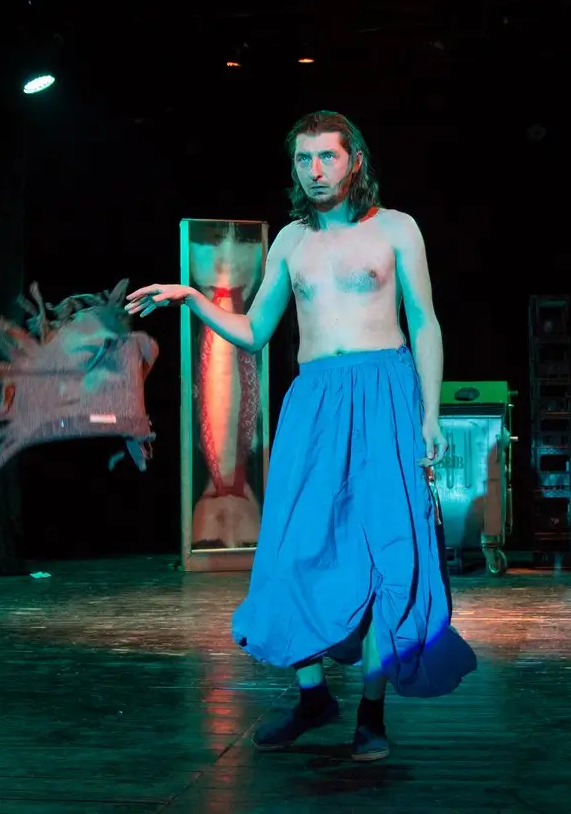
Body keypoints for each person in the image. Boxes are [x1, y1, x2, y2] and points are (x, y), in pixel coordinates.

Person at [126, 111, 477, 762]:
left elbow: (425, 321)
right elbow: (255, 331)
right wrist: (192, 298)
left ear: (355, 160)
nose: (315, 171)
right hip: (315, 400)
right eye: (303, 159)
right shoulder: (291, 241)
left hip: (384, 393)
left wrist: (430, 414)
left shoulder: (396, 228)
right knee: (292, 549)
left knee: (382, 556)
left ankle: (371, 712)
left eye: (327, 157)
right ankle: (313, 696)